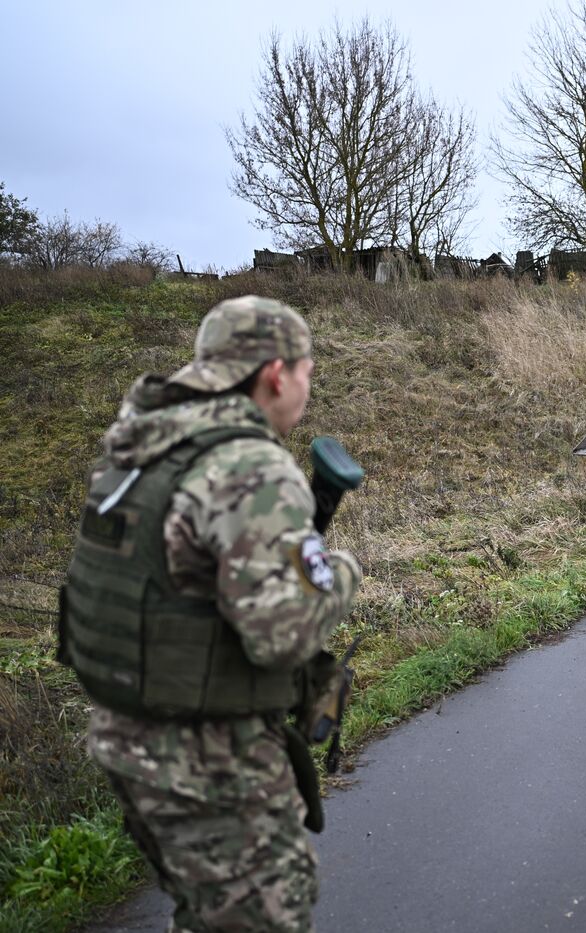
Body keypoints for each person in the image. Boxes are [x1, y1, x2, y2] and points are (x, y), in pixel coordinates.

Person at [59, 295, 361, 931]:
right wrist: (342, 572)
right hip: (210, 759)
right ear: (276, 373)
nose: (307, 386)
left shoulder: (140, 446)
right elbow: (281, 635)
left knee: (204, 913)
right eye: (308, 371)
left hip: (128, 739)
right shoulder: (247, 466)